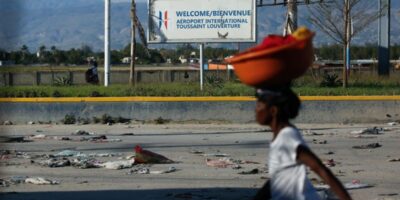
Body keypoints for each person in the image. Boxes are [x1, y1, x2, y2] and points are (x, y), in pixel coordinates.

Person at [253, 86, 352, 200]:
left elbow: (320, 169)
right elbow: (277, 179)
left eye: (259, 105)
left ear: (273, 111)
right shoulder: (280, 136)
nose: (255, 110)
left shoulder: (287, 137)